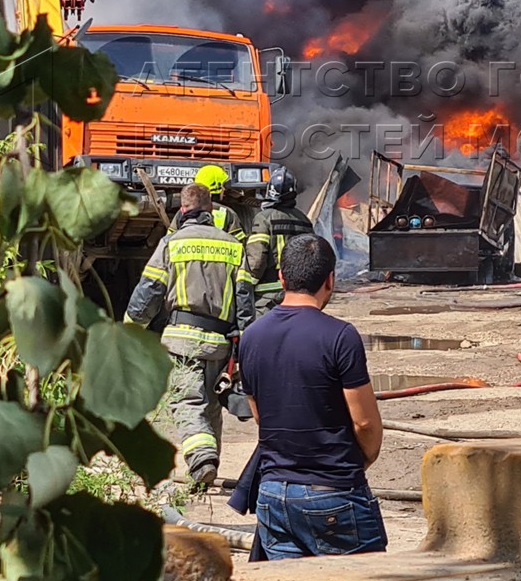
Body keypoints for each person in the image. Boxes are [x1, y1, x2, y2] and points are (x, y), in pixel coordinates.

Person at [238, 234, 387, 558]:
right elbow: (365, 424)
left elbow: (261, 416)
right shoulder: (341, 337)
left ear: (281, 277)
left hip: (273, 494)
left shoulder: (250, 337)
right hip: (334, 494)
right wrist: (360, 461)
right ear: (330, 280)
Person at [126, 182, 252, 487]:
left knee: (186, 402)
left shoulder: (171, 243)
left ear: (183, 210)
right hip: (220, 344)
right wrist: (244, 347)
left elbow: (148, 292)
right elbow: (245, 301)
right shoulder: (234, 247)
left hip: (182, 341)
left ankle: (202, 458)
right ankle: (206, 471)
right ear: (210, 210)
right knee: (211, 406)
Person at [242, 166, 318, 317]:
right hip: (297, 295)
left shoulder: (264, 218)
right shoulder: (305, 221)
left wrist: (247, 285)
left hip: (267, 296)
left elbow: (257, 259)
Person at [195, 164, 246, 242]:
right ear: (217, 187)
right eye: (223, 186)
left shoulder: (183, 213)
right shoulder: (228, 213)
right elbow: (239, 242)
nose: (224, 189)